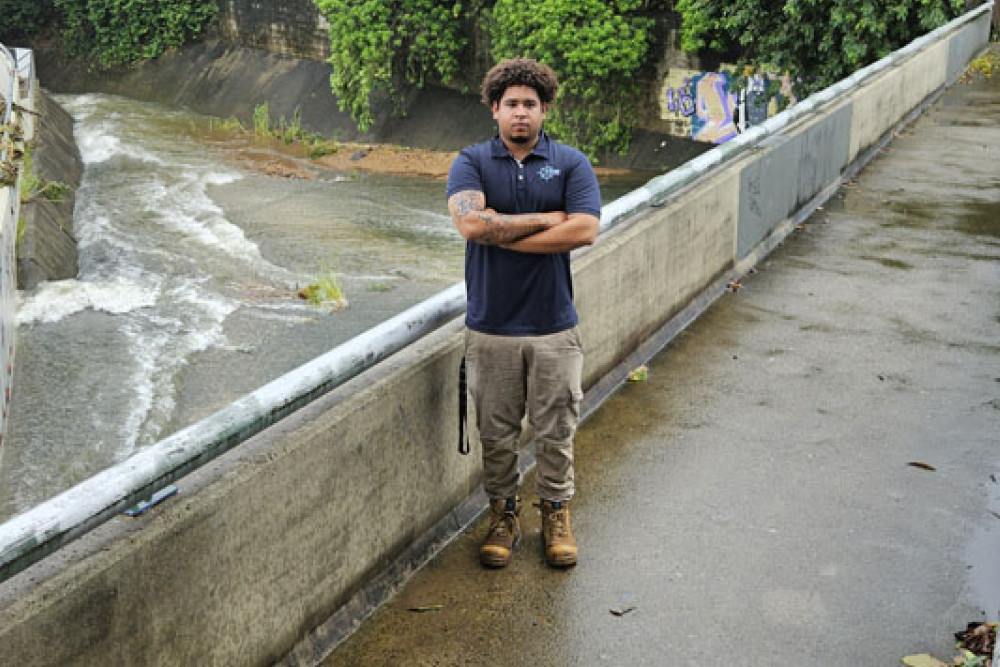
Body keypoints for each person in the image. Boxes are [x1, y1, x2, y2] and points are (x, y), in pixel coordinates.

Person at [446, 57, 601, 568]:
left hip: (554, 325)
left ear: (544, 110)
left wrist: (503, 232)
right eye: (510, 104)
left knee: (557, 427)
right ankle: (503, 515)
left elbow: (584, 230)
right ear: (494, 109)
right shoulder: (471, 162)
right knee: (497, 430)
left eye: (529, 105)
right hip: (490, 326)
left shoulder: (572, 163)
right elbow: (471, 227)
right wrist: (545, 221)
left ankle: (556, 513)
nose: (520, 114)